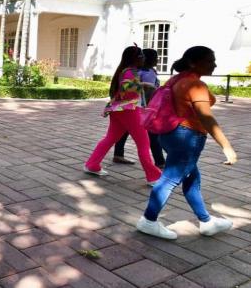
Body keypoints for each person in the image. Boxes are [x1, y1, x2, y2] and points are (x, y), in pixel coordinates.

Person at [137, 46, 238, 239]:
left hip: (170, 135)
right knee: (170, 179)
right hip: (187, 137)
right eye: (209, 60)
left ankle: (206, 221)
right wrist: (227, 147)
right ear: (193, 62)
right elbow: (207, 118)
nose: (214, 64)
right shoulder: (195, 85)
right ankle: (148, 221)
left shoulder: (178, 79)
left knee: (191, 179)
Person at [84, 46, 162, 185]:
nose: (144, 58)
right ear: (136, 58)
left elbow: (124, 87)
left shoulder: (126, 70)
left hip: (119, 110)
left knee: (110, 138)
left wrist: (142, 84)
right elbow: (126, 88)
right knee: (143, 144)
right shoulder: (130, 71)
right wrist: (143, 85)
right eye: (142, 56)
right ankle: (154, 177)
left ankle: (92, 165)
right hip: (129, 110)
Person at [112, 48, 166, 168]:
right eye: (156, 57)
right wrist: (144, 86)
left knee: (124, 130)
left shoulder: (152, 71)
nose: (158, 59)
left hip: (149, 106)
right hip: (140, 107)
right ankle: (160, 162)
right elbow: (130, 88)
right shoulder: (137, 72)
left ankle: (118, 154)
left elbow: (154, 86)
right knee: (151, 135)